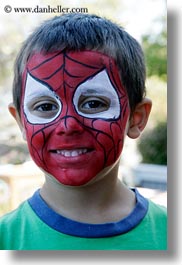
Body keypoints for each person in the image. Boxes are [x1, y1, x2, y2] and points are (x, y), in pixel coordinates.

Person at [0, 13, 167, 250]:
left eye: (93, 103)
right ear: (21, 122)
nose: (68, 126)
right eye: (45, 107)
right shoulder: (6, 240)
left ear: (136, 118)